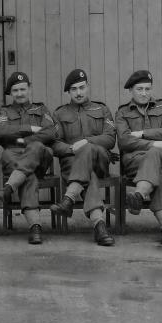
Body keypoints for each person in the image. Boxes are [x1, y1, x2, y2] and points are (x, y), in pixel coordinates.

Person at [51, 69, 116, 247]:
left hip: (100, 162)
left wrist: (85, 142)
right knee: (90, 177)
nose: (78, 93)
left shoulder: (101, 109)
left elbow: (110, 139)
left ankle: (69, 198)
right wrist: (72, 148)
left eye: (81, 87)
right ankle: (100, 226)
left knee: (87, 149)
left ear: (88, 87)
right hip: (72, 165)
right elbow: (55, 144)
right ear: (68, 92)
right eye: (74, 89)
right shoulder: (60, 113)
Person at [0, 72, 58, 245]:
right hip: (14, 157)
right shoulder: (4, 111)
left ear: (29, 88)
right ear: (10, 93)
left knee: (36, 147)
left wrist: (26, 140)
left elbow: (51, 132)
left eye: (23, 89)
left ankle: (9, 187)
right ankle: (35, 226)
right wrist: (31, 128)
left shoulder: (41, 109)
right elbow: (1, 131)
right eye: (15, 90)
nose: (20, 93)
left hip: (39, 156)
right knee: (28, 175)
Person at [115, 70, 162, 246]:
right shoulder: (122, 113)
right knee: (155, 168)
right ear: (130, 90)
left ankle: (139, 193)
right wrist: (154, 144)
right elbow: (124, 141)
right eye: (139, 89)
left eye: (147, 89)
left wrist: (142, 134)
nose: (144, 93)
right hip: (135, 162)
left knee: (155, 157)